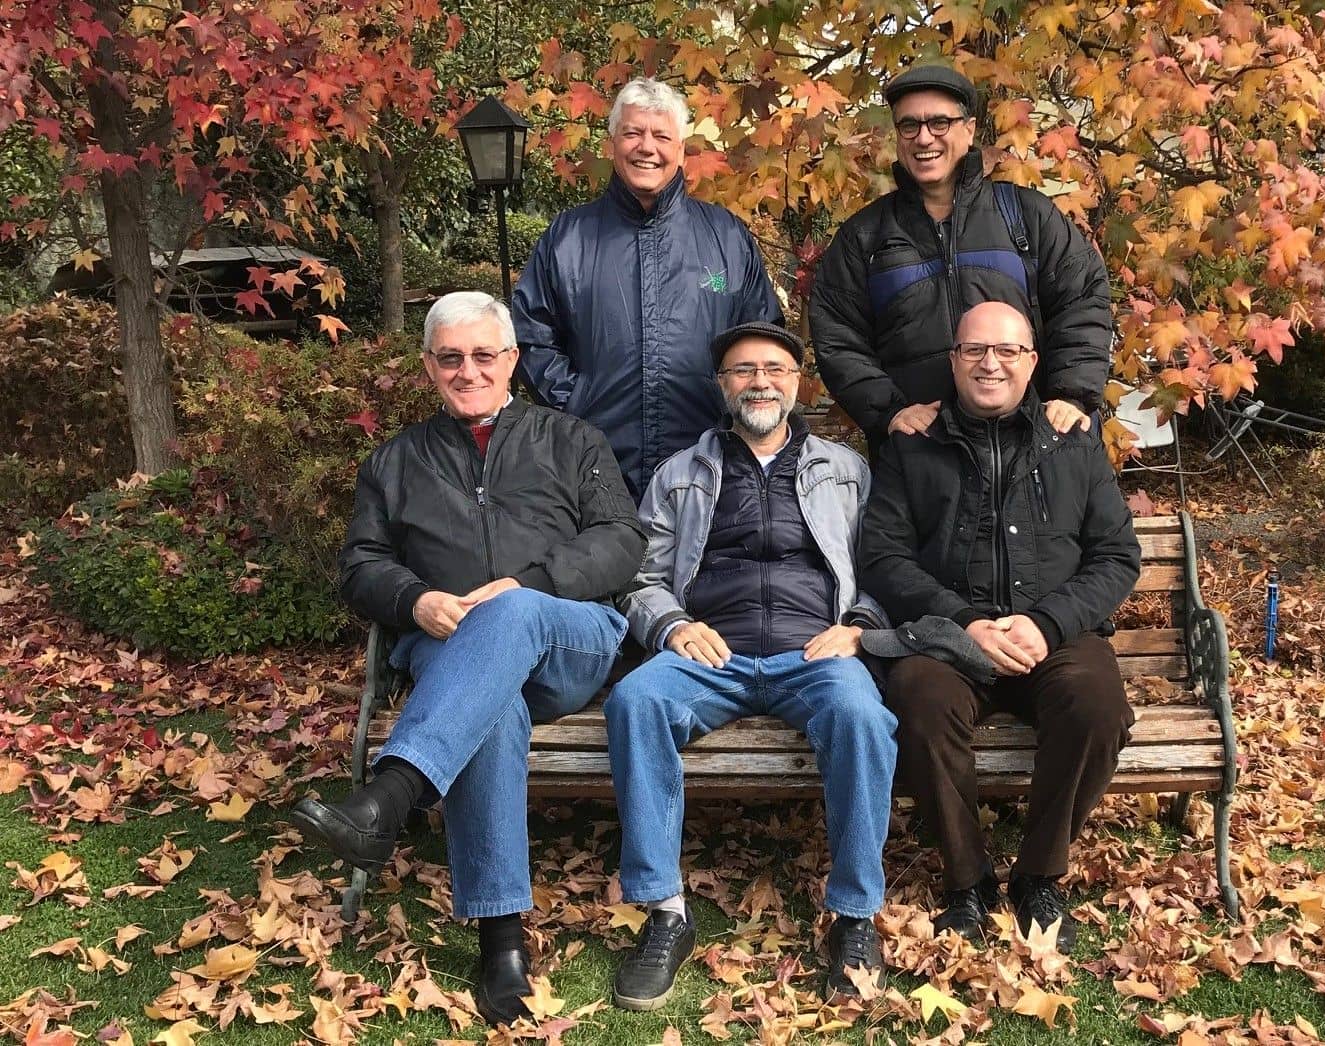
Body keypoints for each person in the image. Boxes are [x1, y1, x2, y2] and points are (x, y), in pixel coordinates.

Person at [289, 292, 646, 1026]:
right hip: (450, 650)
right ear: (428, 366)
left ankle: (389, 795)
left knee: (508, 613)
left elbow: (621, 539)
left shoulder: (570, 439)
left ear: (512, 358)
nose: (468, 371)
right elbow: (361, 566)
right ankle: (501, 942)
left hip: (569, 638)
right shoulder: (394, 461)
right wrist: (415, 599)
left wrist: (529, 585)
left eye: (484, 354)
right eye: (450, 358)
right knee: (493, 709)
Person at [604, 321, 896, 1008]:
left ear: (796, 383)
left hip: (814, 650)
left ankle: (855, 916)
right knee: (635, 702)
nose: (758, 381)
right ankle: (665, 912)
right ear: (722, 385)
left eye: (773, 369)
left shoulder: (846, 470)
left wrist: (858, 627)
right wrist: (673, 625)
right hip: (712, 651)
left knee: (862, 717)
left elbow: (888, 566)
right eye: (742, 370)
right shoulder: (681, 473)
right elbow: (639, 577)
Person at [858, 300, 1141, 951]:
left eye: (1007, 350)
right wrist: (963, 625)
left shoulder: (1073, 442)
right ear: (954, 360)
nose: (991, 363)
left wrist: (1047, 622)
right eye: (975, 350)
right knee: (918, 703)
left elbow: (1116, 555)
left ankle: (1039, 875)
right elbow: (884, 558)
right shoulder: (912, 446)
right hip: (950, 640)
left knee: (1097, 708)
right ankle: (968, 881)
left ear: (1030, 361)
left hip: (1055, 637)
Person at [810, 63, 1113, 451]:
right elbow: (837, 335)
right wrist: (890, 412)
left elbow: (1083, 299)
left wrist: (1071, 396)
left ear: (968, 130)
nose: (924, 137)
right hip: (921, 455)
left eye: (939, 122)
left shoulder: (1026, 216)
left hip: (1033, 448)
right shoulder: (865, 236)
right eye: (909, 125)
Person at [512, 76, 785, 496]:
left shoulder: (727, 237)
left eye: (661, 136)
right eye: (633, 133)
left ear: (681, 148)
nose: (647, 147)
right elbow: (531, 334)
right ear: (612, 143)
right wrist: (576, 403)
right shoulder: (568, 237)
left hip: (711, 469)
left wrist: (732, 415)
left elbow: (763, 338)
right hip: (596, 470)